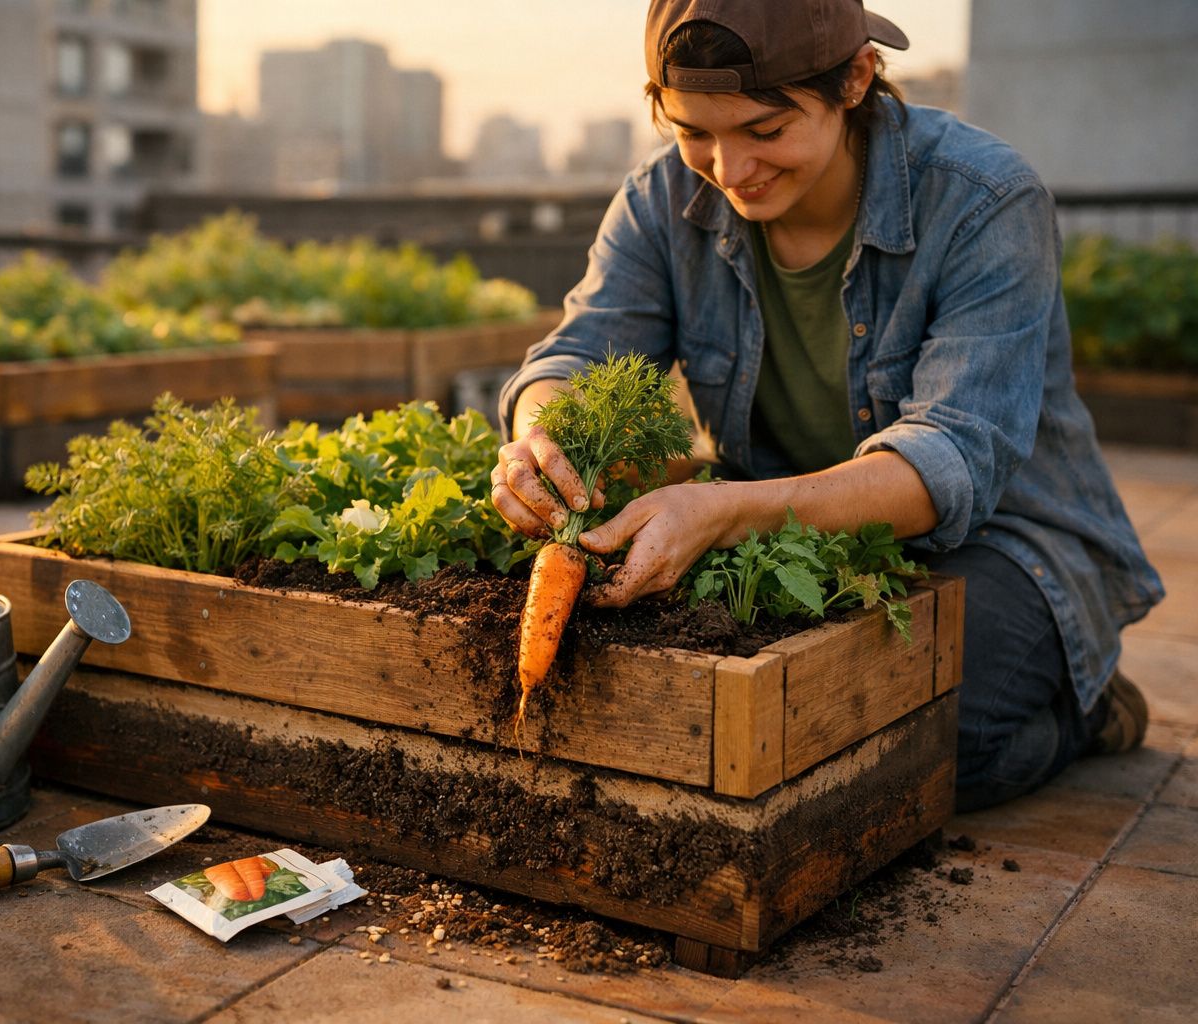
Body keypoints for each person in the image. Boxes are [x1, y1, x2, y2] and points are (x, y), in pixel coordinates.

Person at [490, 0, 1164, 811]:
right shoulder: (659, 200)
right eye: (694, 132)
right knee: (769, 739)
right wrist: (542, 436)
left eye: (765, 132)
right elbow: (575, 354)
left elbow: (949, 460)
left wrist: (726, 513)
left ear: (855, 79)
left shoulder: (985, 200)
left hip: (1004, 542)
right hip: (791, 534)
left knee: (910, 752)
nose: (729, 168)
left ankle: (1086, 706)